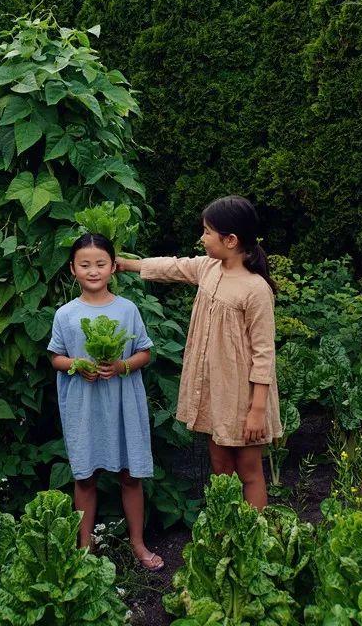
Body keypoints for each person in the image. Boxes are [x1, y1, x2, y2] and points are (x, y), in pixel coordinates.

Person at [116, 195, 282, 510]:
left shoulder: (255, 289)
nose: (202, 238)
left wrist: (257, 410)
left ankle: (254, 540)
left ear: (231, 240)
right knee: (221, 469)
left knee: (249, 472)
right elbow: (174, 267)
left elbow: (264, 354)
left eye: (207, 232)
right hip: (216, 392)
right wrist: (126, 264)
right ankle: (227, 532)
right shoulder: (209, 268)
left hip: (245, 397)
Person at [48, 232, 164, 570]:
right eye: (85, 265)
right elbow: (56, 357)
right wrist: (77, 365)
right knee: (85, 476)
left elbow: (145, 351)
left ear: (114, 267)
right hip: (85, 406)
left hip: (122, 403)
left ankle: (138, 544)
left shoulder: (127, 309)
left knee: (131, 475)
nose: (93, 270)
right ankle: (86, 547)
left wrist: (122, 365)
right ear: (72, 269)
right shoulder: (65, 314)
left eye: (100, 264)